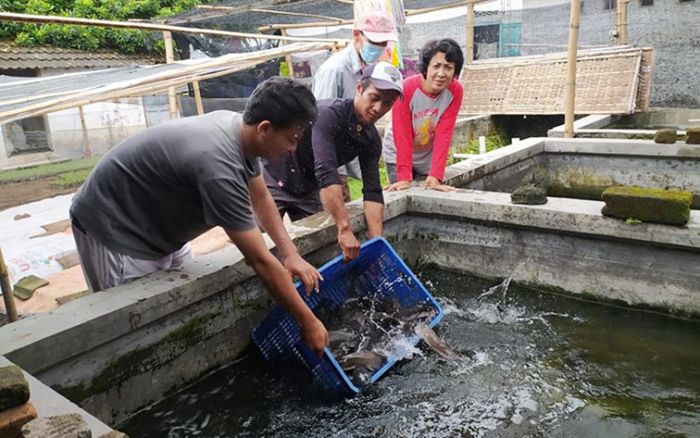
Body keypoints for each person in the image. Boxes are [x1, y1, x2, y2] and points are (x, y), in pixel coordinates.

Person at [69, 77, 328, 355]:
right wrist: (307, 321)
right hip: (113, 227)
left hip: (159, 224)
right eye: (291, 139)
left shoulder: (241, 133)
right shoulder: (218, 164)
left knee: (177, 311)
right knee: (129, 327)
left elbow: (261, 196)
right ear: (265, 128)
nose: (292, 148)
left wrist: (290, 254)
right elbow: (259, 260)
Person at [264, 62, 403, 261]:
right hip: (275, 176)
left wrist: (377, 243)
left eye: (387, 103)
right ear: (358, 89)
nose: (378, 108)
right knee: (261, 244)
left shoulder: (370, 138)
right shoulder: (328, 114)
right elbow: (326, 170)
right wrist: (344, 228)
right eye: (375, 98)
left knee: (317, 251)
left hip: (309, 188)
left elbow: (372, 191)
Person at [312, 10, 398, 202]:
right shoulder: (334, 70)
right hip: (325, 160)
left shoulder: (371, 68)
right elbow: (321, 123)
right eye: (374, 42)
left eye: (383, 43)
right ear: (356, 35)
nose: (378, 48)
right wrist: (334, 176)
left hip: (342, 155)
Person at [383, 38, 465, 192]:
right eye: (436, 66)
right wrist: (404, 177)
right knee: (403, 192)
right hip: (398, 151)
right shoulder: (406, 89)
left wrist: (436, 174)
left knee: (430, 191)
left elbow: (444, 132)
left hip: (426, 153)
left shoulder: (455, 91)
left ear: (455, 71)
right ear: (426, 67)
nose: (441, 74)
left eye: (448, 67)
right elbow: (402, 134)